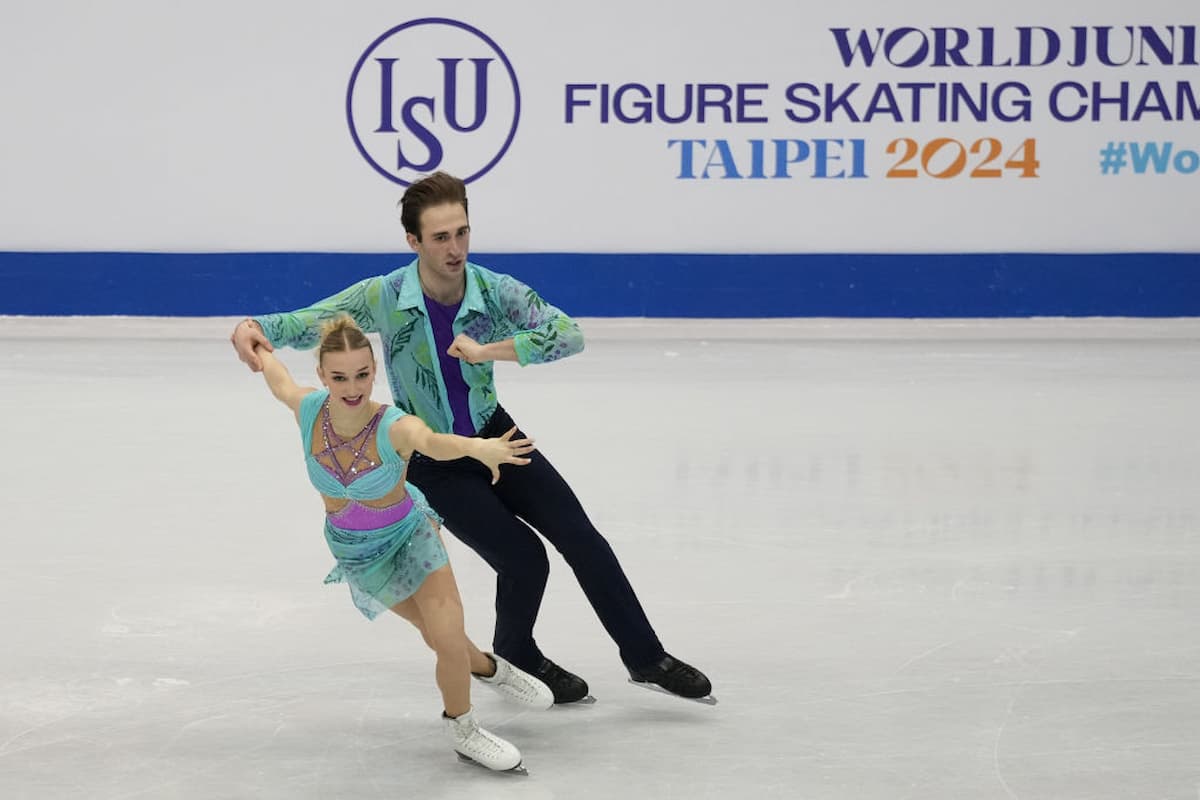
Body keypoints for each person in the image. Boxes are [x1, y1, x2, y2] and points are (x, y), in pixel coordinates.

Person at [232, 171, 713, 704]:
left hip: (496, 434)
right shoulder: (386, 295)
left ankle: (645, 657)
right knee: (525, 557)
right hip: (433, 459)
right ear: (414, 241)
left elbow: (568, 334)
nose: (455, 248)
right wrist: (255, 327)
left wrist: (491, 351)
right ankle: (517, 653)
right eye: (441, 237)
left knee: (584, 539)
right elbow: (310, 322)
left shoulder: (493, 290)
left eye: (462, 232)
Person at [254, 314, 554, 772]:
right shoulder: (308, 409)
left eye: (362, 374)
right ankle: (490, 668)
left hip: (411, 537)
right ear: (321, 375)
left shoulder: (393, 426)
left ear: (374, 370)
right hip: (358, 553)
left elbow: (433, 442)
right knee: (437, 638)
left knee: (448, 635)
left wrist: (478, 448)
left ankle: (463, 728)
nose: (352, 386)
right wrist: (251, 340)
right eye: (339, 377)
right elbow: (276, 378)